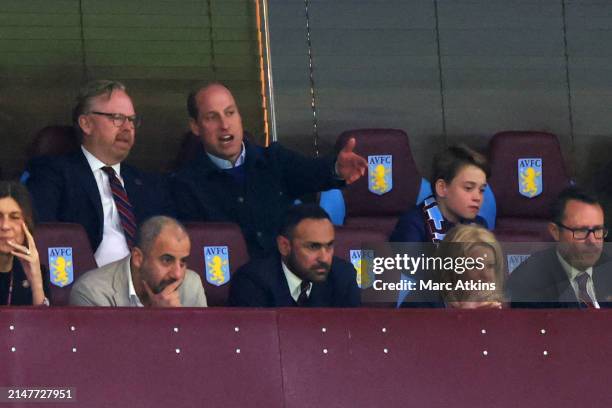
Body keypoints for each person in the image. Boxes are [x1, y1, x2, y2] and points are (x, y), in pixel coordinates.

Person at [172, 82, 367, 258]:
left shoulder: (274, 160)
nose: (224, 125)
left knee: (351, 274)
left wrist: (336, 169)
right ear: (195, 127)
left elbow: (312, 171)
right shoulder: (186, 184)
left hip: (286, 279)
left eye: (230, 113)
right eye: (212, 117)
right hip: (234, 287)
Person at [26, 80, 174, 267]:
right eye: (118, 118)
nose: (128, 127)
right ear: (86, 124)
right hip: (87, 282)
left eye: (132, 120)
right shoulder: (54, 173)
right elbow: (42, 235)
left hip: (145, 283)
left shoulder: (148, 183)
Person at [229, 204, 360, 307]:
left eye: (329, 245)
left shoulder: (343, 276)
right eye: (313, 247)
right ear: (284, 246)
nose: (324, 258)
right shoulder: (252, 282)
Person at [507, 187, 612, 308]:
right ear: (555, 231)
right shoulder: (528, 283)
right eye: (581, 231)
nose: (592, 241)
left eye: (598, 230)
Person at [70, 216, 206, 307]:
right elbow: (106, 349)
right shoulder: (92, 292)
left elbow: (203, 347)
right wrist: (159, 319)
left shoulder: (191, 285)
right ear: (138, 258)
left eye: (182, 262)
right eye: (166, 260)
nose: (177, 274)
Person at [390, 144, 489, 243]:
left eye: (481, 190)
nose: (477, 198)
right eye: (468, 188)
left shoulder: (479, 225)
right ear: (442, 188)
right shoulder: (412, 225)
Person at [0, 181, 50, 306]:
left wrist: (36, 284)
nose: (5, 226)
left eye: (14, 217)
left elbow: (43, 324)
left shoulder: (36, 271)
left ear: (27, 224)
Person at [435, 224, 505, 309]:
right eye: (475, 265)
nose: (486, 276)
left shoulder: (501, 308)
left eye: (490, 266)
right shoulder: (425, 305)